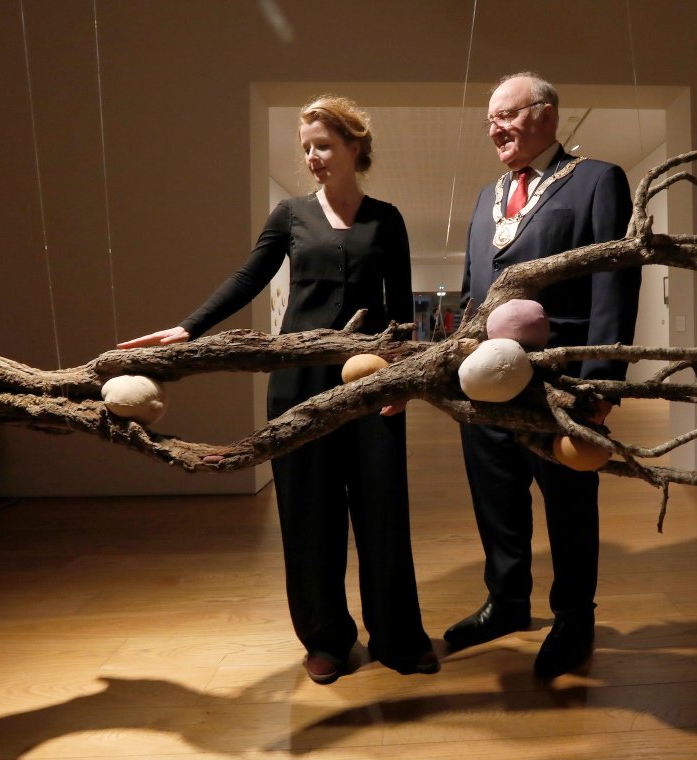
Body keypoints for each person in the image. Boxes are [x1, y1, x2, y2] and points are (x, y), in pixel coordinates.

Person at [118, 95, 437, 685]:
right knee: (308, 510)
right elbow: (248, 277)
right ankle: (325, 638)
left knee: (382, 508)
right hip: (298, 385)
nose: (313, 157)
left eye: (323, 145)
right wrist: (189, 327)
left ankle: (396, 634)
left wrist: (405, 381)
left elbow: (400, 310)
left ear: (354, 147)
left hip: (369, 383)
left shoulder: (386, 219)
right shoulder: (290, 215)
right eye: (306, 148)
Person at [447, 72, 641, 678]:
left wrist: (601, 382)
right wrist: (456, 363)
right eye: (489, 120)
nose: (494, 128)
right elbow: (473, 292)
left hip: (560, 383)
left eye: (505, 114)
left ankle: (573, 620)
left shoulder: (595, 180)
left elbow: (615, 281)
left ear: (547, 114)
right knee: (496, 498)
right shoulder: (486, 196)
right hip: (484, 380)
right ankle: (506, 603)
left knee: (569, 505)